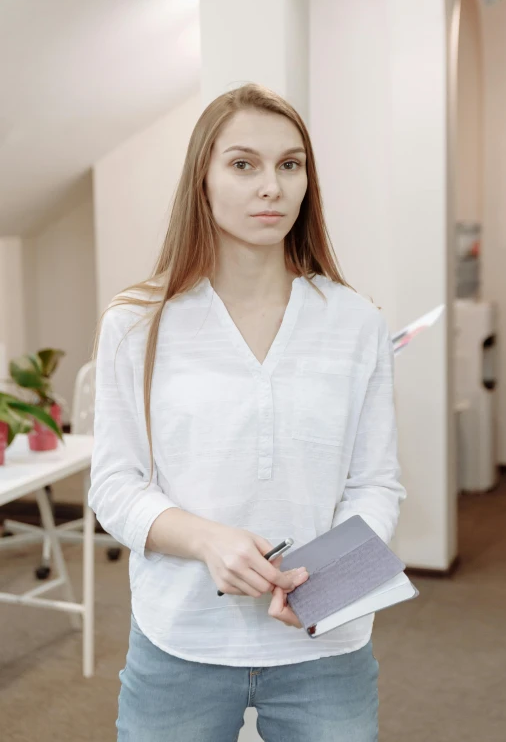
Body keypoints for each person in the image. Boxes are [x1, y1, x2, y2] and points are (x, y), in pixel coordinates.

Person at [89, 83, 406, 742]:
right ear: (201, 180)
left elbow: (376, 484)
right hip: (179, 637)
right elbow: (114, 487)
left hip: (327, 639)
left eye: (290, 165)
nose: (272, 186)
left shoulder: (356, 321)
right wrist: (208, 539)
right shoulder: (135, 323)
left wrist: (329, 583)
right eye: (244, 164)